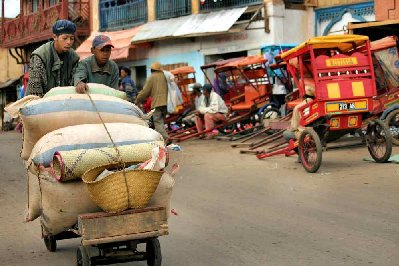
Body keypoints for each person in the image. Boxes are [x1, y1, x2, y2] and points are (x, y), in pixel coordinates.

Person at [26, 20, 79, 96]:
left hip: (65, 102)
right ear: (55, 37)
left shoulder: (74, 57)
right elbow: (35, 91)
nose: (69, 42)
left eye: (72, 38)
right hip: (40, 102)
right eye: (65, 38)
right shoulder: (39, 56)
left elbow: (74, 83)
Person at [135, 62, 169, 143]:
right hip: (165, 102)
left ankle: (165, 138)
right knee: (161, 121)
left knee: (158, 122)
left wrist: (137, 100)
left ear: (152, 70)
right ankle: (163, 138)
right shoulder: (163, 76)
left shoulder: (152, 77)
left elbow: (145, 92)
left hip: (157, 103)